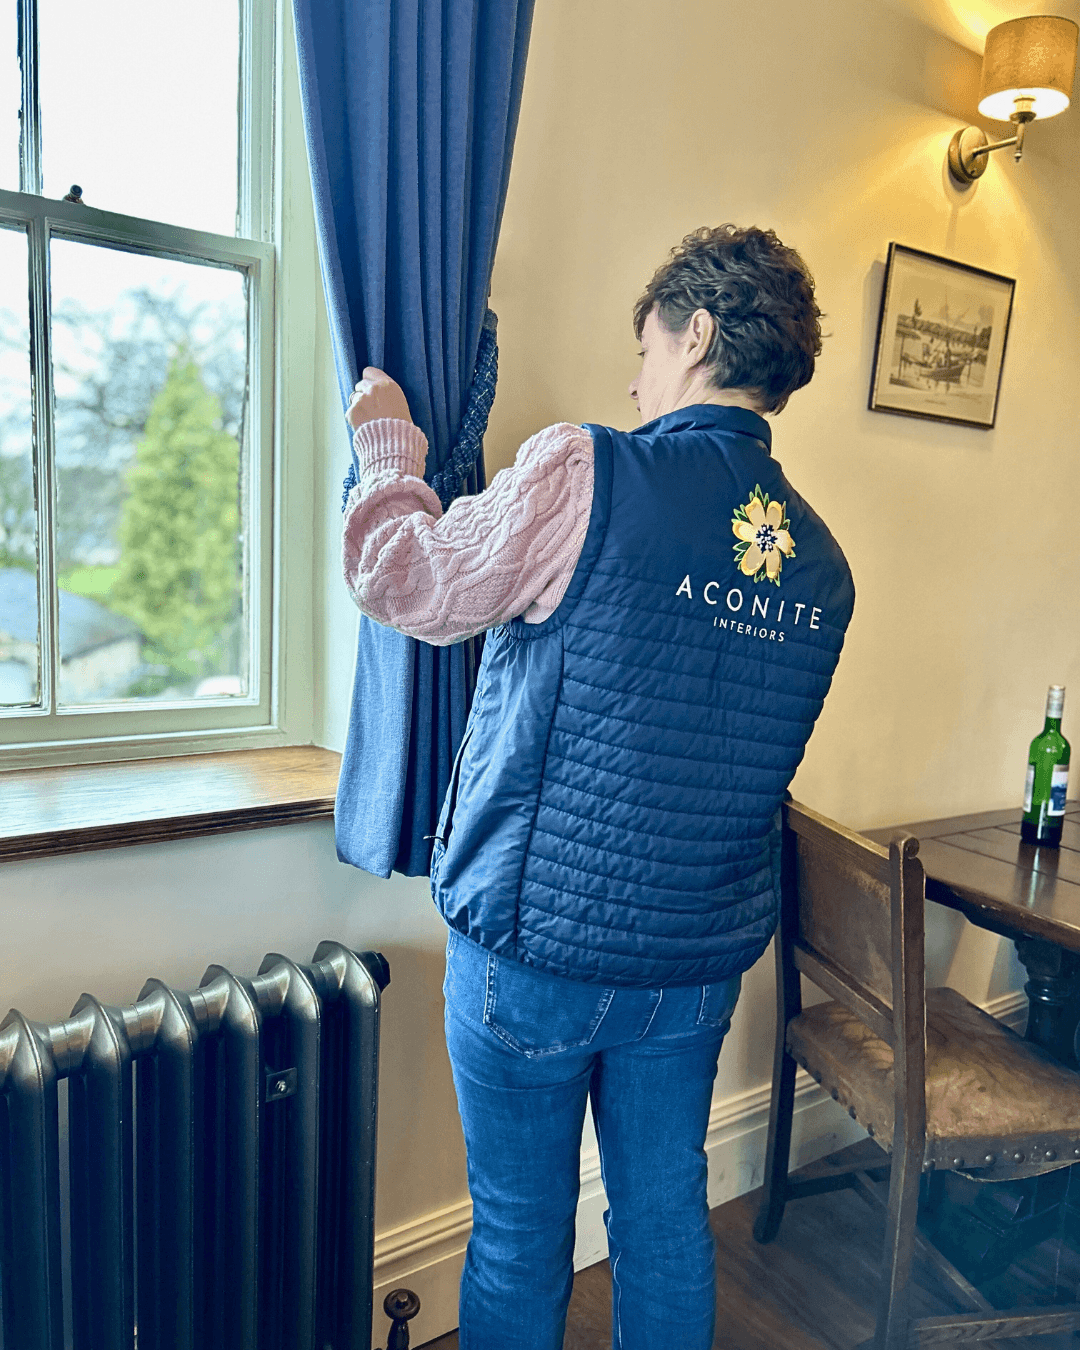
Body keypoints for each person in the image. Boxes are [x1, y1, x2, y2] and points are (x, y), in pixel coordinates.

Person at [342, 224, 855, 1350]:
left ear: (698, 333)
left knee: (520, 1232)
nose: (635, 382)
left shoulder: (589, 471)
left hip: (538, 950)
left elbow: (407, 581)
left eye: (648, 348)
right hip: (693, 965)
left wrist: (386, 451)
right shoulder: (822, 568)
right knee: (663, 1220)